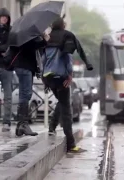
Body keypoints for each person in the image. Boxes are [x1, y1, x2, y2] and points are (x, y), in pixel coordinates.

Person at [42, 18, 93, 153]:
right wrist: (70, 75)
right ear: (63, 25)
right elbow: (67, 58)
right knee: (66, 110)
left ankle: (52, 126)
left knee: (62, 101)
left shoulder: (47, 39)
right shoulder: (66, 36)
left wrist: (44, 80)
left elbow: (43, 60)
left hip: (49, 78)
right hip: (61, 77)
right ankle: (71, 144)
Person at [5, 33, 49, 136]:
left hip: (22, 67)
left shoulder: (22, 34)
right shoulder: (28, 36)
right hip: (24, 67)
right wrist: (45, 39)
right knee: (26, 94)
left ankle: (20, 126)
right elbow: (33, 46)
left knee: (23, 95)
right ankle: (23, 125)